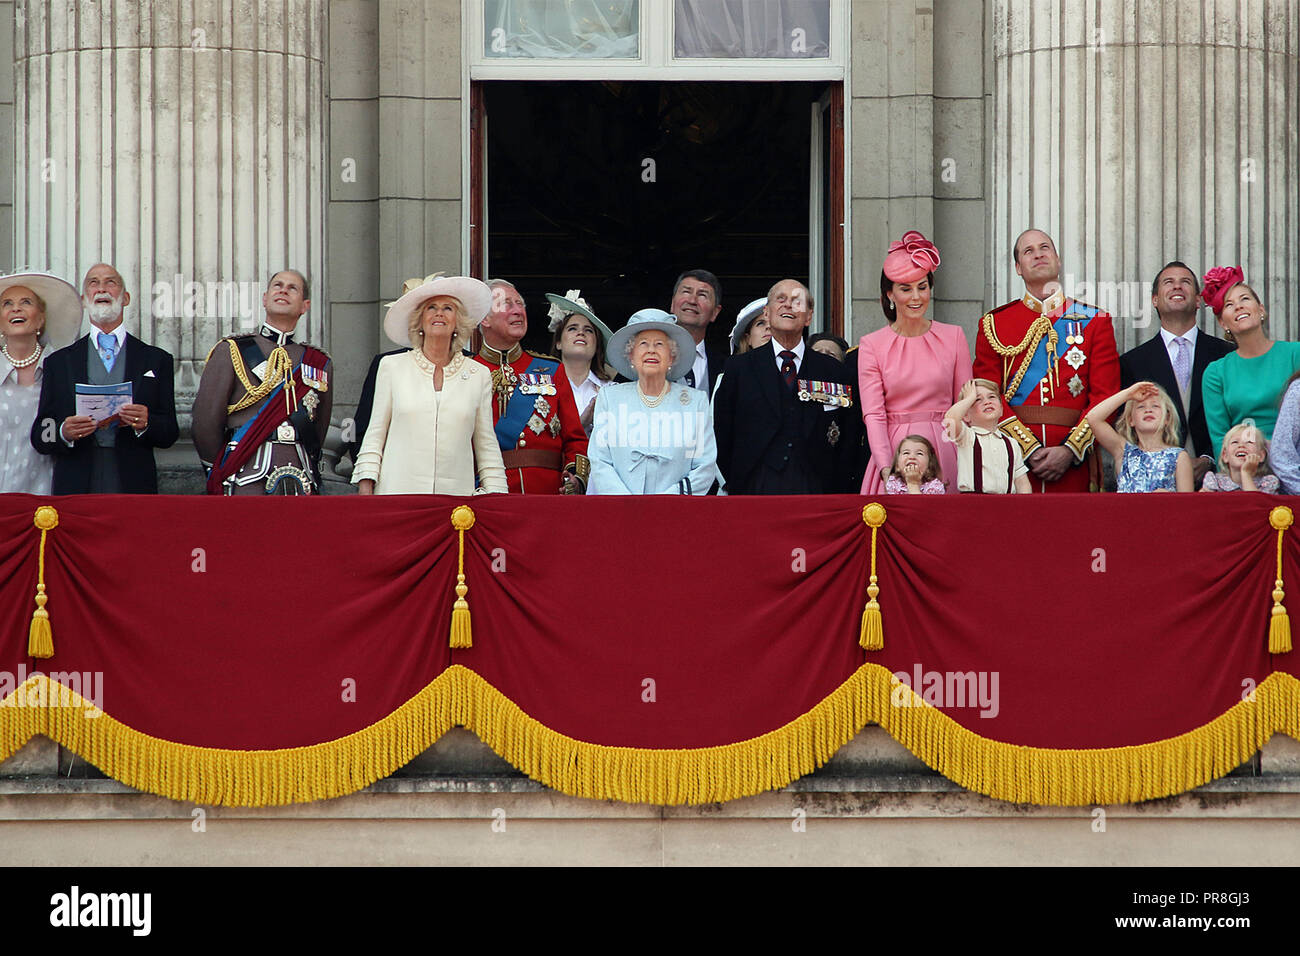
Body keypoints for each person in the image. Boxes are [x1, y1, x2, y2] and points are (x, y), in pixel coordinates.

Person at [973, 228, 1120, 492]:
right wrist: (1025, 448)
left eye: (1045, 248)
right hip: (1012, 464)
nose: (1038, 255)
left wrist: (1070, 450)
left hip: (1074, 465)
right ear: (1018, 267)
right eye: (1028, 251)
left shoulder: (1095, 321)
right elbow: (985, 395)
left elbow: (1105, 397)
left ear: (1058, 260)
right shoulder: (993, 324)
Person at [31, 263, 178, 494]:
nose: (102, 289)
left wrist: (146, 423)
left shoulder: (156, 360)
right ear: (83, 299)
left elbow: (170, 432)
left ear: (126, 297)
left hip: (134, 483)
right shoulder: (58, 363)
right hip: (75, 482)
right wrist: (63, 432)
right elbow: (41, 432)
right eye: (93, 283)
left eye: (111, 282)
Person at [352, 275, 505, 495]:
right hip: (397, 495)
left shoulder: (478, 374)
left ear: (457, 323)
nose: (439, 313)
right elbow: (375, 435)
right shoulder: (392, 367)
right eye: (431, 307)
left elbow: (487, 446)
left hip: (455, 503)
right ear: (420, 321)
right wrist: (365, 487)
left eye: (448, 308)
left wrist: (497, 496)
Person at [191, 269, 332, 495]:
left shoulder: (317, 362)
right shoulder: (232, 350)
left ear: (305, 306)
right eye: (278, 285)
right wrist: (220, 470)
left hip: (300, 472)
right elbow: (205, 420)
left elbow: (319, 427)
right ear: (265, 299)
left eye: (292, 288)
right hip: (245, 471)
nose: (283, 290)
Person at [713, 278, 856, 495]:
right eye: (781, 300)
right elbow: (722, 433)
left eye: (797, 301)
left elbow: (849, 434)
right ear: (767, 313)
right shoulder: (739, 369)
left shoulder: (834, 371)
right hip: (755, 488)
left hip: (818, 490)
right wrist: (739, 480)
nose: (788, 305)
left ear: (808, 316)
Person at [859, 230, 971, 494]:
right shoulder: (872, 344)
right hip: (896, 451)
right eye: (905, 289)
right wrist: (887, 468)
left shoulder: (953, 336)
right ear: (889, 294)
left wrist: (967, 458)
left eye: (922, 287)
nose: (916, 297)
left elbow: (965, 405)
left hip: (946, 447)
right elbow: (874, 415)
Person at [1119, 261, 1233, 487]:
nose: (1177, 287)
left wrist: (1208, 459)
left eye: (1186, 282)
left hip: (1217, 481)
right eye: (1168, 282)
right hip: (1156, 487)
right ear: (1154, 299)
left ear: (1199, 300)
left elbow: (1235, 413)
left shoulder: (1227, 355)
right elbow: (1124, 425)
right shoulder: (1132, 362)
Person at [474, 279, 588, 493]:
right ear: (484, 318)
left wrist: (576, 478)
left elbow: (576, 439)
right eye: (507, 304)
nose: (518, 311)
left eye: (521, 304)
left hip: (547, 494)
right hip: (487, 493)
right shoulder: (467, 372)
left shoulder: (552, 370)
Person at [588, 309, 717, 495]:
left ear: (672, 356)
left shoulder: (695, 402)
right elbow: (600, 460)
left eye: (659, 344)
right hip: (621, 511)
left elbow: (704, 465)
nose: (651, 350)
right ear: (631, 355)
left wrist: (667, 500)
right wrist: (627, 503)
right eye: (643, 344)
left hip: (675, 510)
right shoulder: (610, 398)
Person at [1199, 266, 1300, 458]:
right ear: (1223, 323)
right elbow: (1220, 441)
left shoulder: (1295, 354)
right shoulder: (1216, 373)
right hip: (1246, 471)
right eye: (1229, 304)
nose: (1238, 306)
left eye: (1245, 298)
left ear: (1260, 309)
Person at [0, 274, 81, 494]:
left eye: (26, 302)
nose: (16, 309)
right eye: (7, 303)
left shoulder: (64, 370)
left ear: (41, 319)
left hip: (48, 500)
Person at [1086, 381, 1192, 493]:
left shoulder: (1179, 457)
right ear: (1131, 420)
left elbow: (1188, 505)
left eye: (1155, 406)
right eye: (1141, 407)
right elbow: (1093, 418)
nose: (1148, 410)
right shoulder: (1123, 452)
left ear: (1167, 418)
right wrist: (1128, 394)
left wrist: (1169, 498)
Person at [546, 290, 615, 437]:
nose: (581, 333)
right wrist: (579, 426)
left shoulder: (612, 392)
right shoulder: (542, 388)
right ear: (558, 342)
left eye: (588, 330)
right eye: (572, 328)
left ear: (597, 345)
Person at [942, 379, 1031, 494]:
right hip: (974, 504)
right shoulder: (967, 437)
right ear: (966, 416)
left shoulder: (1011, 443)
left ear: (1001, 410)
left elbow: (1021, 482)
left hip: (1006, 504)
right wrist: (969, 398)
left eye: (992, 397)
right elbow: (951, 419)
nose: (987, 402)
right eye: (978, 399)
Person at [669, 269, 727, 393]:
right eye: (686, 292)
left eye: (702, 295)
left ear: (715, 312)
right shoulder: (645, 357)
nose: (692, 301)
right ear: (672, 304)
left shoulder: (726, 367)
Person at [1203, 420, 1279, 493]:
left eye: (1249, 442)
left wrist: (1246, 474)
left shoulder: (1269, 482)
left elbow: (1256, 504)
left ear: (1261, 455)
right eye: (1235, 442)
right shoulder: (1214, 481)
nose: (1241, 446)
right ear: (1225, 455)